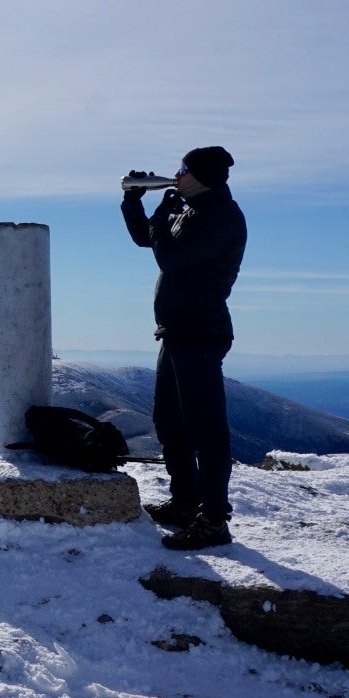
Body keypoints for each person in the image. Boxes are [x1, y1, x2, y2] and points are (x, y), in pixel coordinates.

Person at [122, 145, 246, 550]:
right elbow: (147, 240)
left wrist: (161, 212)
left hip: (200, 332)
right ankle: (185, 501)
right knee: (170, 422)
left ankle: (213, 521)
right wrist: (132, 202)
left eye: (182, 169)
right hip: (176, 331)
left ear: (199, 175)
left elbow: (170, 260)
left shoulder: (221, 218)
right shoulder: (192, 211)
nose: (175, 175)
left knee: (206, 430)